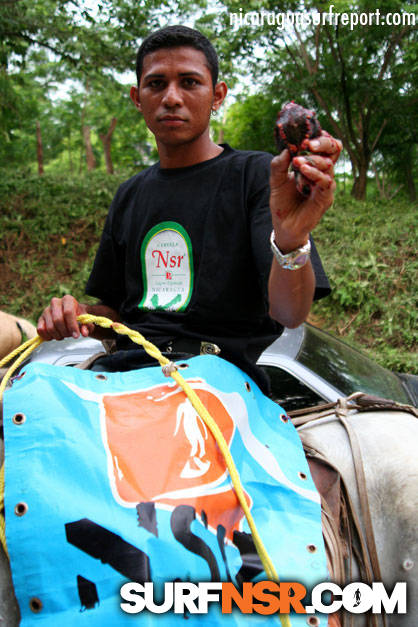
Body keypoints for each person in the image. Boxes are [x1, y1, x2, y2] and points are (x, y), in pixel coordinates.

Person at [37, 25, 341, 393]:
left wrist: (291, 239)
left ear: (217, 95)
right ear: (137, 97)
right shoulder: (129, 195)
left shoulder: (255, 176)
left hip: (219, 388)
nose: (171, 97)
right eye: (156, 84)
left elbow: (291, 314)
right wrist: (77, 313)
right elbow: (117, 313)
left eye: (189, 82)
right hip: (125, 380)